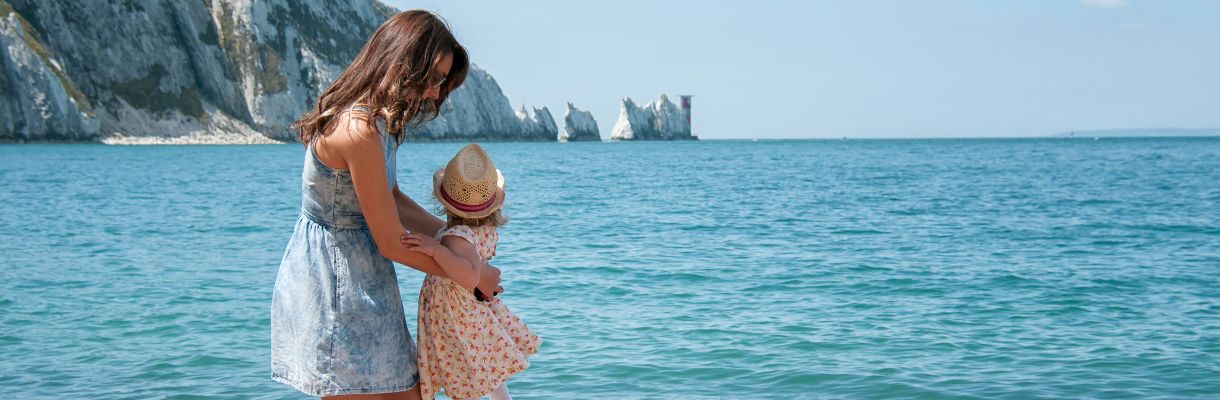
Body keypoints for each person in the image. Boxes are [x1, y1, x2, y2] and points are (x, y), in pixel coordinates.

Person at [270, 10, 502, 400]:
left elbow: (391, 198)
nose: (435, 92)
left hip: (365, 276)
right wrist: (472, 274)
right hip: (337, 286)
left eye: (441, 82)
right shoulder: (358, 131)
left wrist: (458, 241)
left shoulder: (380, 121)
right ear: (403, 64)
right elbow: (392, 242)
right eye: (433, 79)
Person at [401, 144, 541, 400]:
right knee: (484, 368)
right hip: (471, 309)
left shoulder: (457, 237)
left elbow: (468, 276)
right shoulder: (480, 231)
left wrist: (435, 250)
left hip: (455, 313)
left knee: (465, 367)